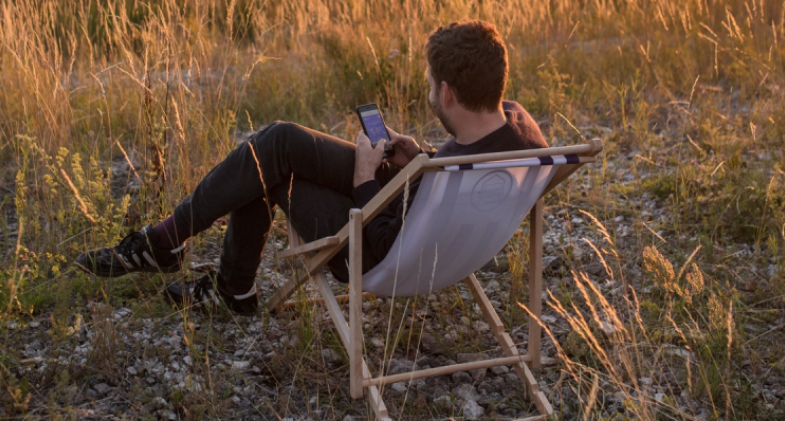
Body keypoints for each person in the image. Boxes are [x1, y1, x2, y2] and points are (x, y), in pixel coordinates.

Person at [74, 20, 548, 314]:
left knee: (269, 168)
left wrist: (366, 177)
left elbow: (382, 244)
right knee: (280, 140)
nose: (430, 95)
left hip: (383, 252)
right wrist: (420, 157)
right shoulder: (519, 130)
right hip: (421, 211)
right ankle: (177, 251)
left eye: (429, 87)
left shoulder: (451, 174)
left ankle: (211, 277)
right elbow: (443, 187)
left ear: (446, 93)